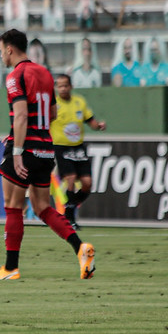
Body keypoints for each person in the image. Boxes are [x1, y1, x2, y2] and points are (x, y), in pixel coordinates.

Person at [0, 29, 95, 281]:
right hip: (46, 149)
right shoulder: (44, 73)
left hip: (25, 149)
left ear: (10, 49)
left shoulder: (15, 76)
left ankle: (10, 268)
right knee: (43, 207)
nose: (1, 55)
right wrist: (15, 133)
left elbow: (22, 115)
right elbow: (52, 114)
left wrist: (18, 150)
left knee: (12, 206)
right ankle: (80, 248)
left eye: (1, 50)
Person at [51, 74, 106, 229]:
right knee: (71, 178)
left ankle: (70, 206)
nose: (62, 89)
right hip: (61, 147)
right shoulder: (53, 104)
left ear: (71, 86)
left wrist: (98, 126)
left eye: (65, 85)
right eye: (59, 86)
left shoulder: (79, 102)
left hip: (78, 147)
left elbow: (90, 121)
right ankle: (69, 218)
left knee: (87, 184)